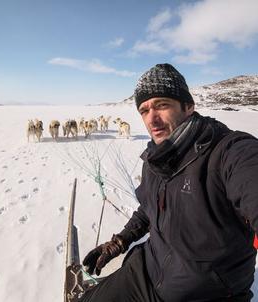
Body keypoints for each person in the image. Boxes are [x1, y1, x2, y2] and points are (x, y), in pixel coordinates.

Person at [79, 63, 258, 302]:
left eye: (162, 105)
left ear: (188, 106)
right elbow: (149, 207)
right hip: (145, 272)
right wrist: (120, 241)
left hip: (205, 294)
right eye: (144, 110)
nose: (152, 119)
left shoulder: (229, 153)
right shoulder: (155, 158)